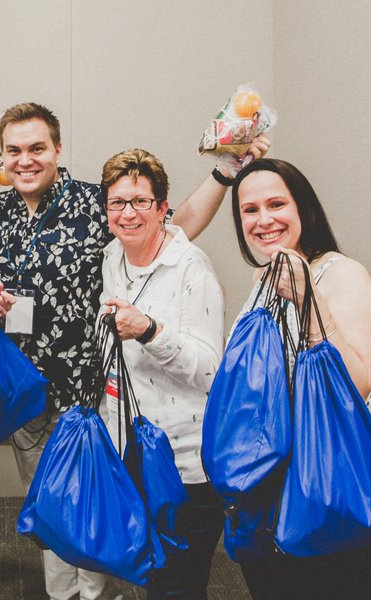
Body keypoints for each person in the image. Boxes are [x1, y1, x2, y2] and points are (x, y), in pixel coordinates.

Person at [0, 101, 269, 600]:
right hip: (27, 397)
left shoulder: (94, 204)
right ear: (3, 156)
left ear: (58, 149)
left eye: (37, 148)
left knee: (101, 519)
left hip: (90, 398)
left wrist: (224, 173)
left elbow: (175, 224)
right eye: (14, 150)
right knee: (55, 518)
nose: (26, 160)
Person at [227, 158, 371, 599]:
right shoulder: (264, 279)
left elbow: (355, 384)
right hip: (269, 493)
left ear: (304, 208)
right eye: (249, 209)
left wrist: (308, 302)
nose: (263, 220)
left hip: (332, 491)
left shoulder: (342, 275)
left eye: (276, 204)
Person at [95, 148, 226, 599]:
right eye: (117, 202)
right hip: (133, 452)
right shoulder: (113, 256)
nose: (127, 213)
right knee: (153, 578)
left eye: (140, 201)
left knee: (179, 587)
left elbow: (210, 371)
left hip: (184, 465)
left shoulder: (191, 268)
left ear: (162, 208)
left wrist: (149, 330)